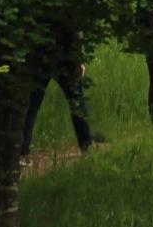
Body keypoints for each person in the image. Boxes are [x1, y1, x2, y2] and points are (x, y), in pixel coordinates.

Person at [20, 28, 97, 156]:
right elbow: (74, 30)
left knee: (32, 106)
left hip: (41, 56)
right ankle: (86, 147)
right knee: (77, 104)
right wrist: (79, 58)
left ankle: (22, 150)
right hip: (65, 58)